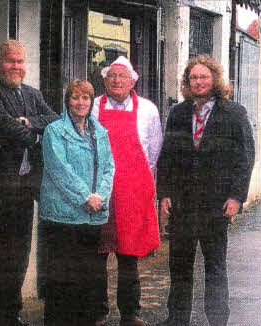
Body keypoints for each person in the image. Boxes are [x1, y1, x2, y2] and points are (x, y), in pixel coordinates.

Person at [156, 56, 255, 326]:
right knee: (179, 267)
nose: (198, 82)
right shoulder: (178, 113)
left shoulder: (234, 113)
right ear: (187, 82)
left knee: (214, 268)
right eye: (193, 78)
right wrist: (164, 194)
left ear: (215, 80)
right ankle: (177, 319)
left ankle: (218, 320)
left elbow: (245, 158)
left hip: (217, 206)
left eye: (204, 77)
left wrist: (236, 196)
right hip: (182, 206)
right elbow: (167, 157)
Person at [0, 40, 59, 326]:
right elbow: (4, 127)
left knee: (20, 253)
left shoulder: (33, 95)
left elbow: (56, 121)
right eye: (11, 61)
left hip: (25, 188)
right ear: (0, 64)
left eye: (20, 61)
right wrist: (35, 134)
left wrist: (28, 122)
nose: (16, 67)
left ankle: (11, 313)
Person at [92, 56, 163, 326]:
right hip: (98, 190)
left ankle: (130, 313)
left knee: (128, 256)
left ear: (133, 81)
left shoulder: (147, 109)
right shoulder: (93, 106)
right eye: (112, 76)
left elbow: (153, 152)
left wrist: (138, 182)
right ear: (105, 80)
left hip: (131, 192)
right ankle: (97, 312)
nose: (117, 81)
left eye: (123, 76)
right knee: (97, 255)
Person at [39, 79, 115, 326]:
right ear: (67, 101)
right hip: (62, 217)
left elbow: (108, 168)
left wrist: (100, 196)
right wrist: (85, 197)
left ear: (91, 102)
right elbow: (60, 170)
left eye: (85, 98)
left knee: (87, 277)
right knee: (62, 277)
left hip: (91, 216)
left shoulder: (100, 131)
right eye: (75, 97)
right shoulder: (54, 131)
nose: (80, 103)